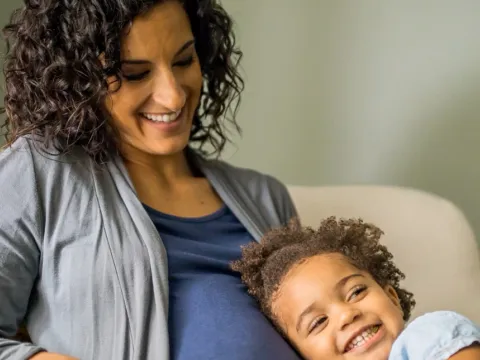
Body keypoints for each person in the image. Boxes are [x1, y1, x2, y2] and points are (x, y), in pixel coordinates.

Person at [0, 1, 301, 359]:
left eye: (184, 60)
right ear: (79, 80)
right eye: (134, 73)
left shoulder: (266, 197)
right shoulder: (40, 172)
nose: (173, 94)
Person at [232, 217, 480, 360]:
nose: (346, 314)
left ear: (391, 296)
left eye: (356, 292)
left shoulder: (429, 336)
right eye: (318, 322)